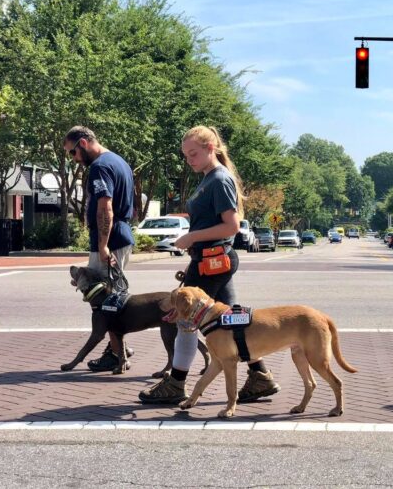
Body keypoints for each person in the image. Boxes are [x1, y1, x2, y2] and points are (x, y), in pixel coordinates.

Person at [139, 126, 280, 404]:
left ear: (210, 148)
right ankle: (260, 376)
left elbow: (231, 226)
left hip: (211, 261)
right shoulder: (210, 178)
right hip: (212, 261)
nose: (189, 159)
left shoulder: (217, 179)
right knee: (233, 320)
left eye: (194, 153)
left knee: (187, 319)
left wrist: (191, 236)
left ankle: (177, 383)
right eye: (186, 155)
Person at [64, 126, 135, 372]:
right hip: (121, 236)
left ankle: (116, 353)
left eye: (72, 152)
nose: (73, 159)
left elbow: (105, 207)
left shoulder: (99, 167)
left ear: (83, 143)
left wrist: (103, 246)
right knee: (112, 297)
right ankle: (118, 349)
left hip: (111, 240)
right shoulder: (119, 161)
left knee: (103, 301)